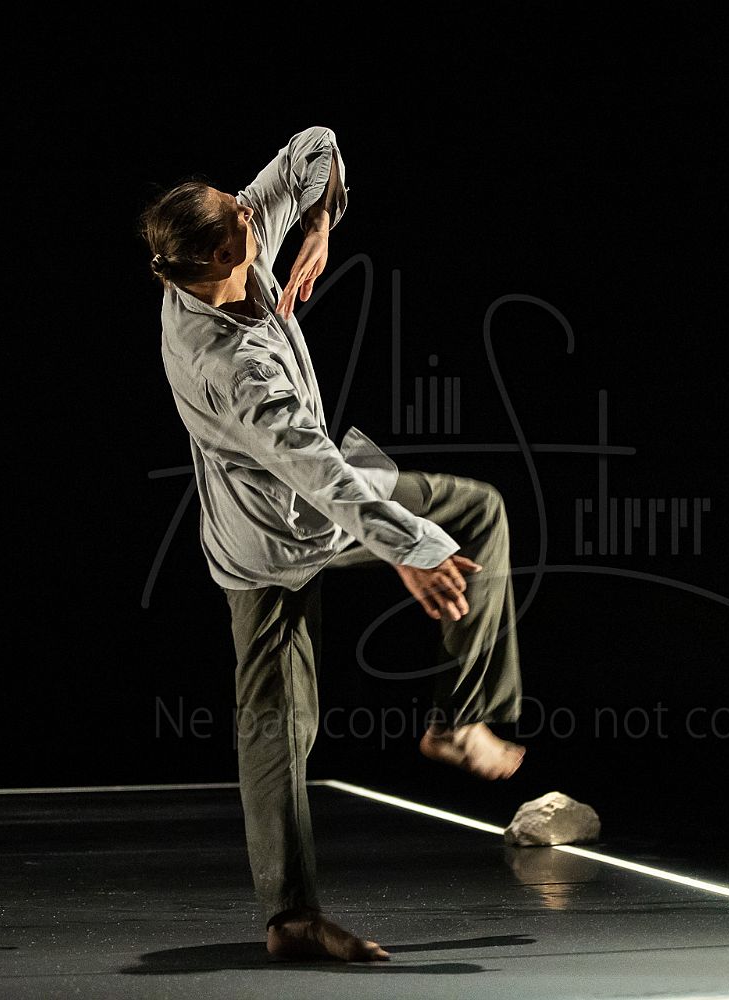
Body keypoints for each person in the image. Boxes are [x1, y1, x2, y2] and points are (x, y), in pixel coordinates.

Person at [139, 126, 527, 962]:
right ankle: (291, 916)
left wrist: (316, 224)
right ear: (217, 258)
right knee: (278, 724)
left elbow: (314, 148)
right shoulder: (229, 365)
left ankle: (461, 720)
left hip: (322, 498)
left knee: (480, 511)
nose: (254, 216)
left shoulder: (229, 245)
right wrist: (409, 549)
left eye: (246, 210)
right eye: (243, 223)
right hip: (270, 544)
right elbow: (320, 475)